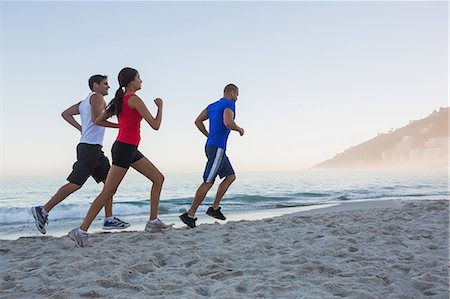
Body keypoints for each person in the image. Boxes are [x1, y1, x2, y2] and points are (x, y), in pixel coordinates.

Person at [68, 67, 169, 247]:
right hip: (124, 149)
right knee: (108, 191)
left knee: (158, 178)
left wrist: (121, 127)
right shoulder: (133, 100)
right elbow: (155, 125)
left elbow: (98, 120)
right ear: (131, 81)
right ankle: (81, 230)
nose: (141, 80)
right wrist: (160, 106)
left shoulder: (120, 100)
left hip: (129, 148)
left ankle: (153, 221)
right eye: (139, 77)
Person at [31, 75, 130, 234]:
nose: (108, 87)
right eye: (105, 84)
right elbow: (97, 120)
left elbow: (65, 114)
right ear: (95, 85)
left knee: (109, 184)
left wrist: (80, 128)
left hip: (93, 148)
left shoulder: (84, 101)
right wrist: (121, 126)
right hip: (90, 149)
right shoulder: (97, 97)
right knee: (76, 183)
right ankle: (43, 210)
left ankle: (109, 219)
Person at [180, 84, 244, 228]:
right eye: (237, 94)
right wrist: (239, 129)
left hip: (213, 146)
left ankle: (214, 208)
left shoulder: (212, 105)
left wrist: (208, 136)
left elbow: (197, 121)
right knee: (208, 181)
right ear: (232, 93)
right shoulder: (229, 103)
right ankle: (189, 215)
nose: (237, 98)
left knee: (231, 176)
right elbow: (228, 122)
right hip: (218, 148)